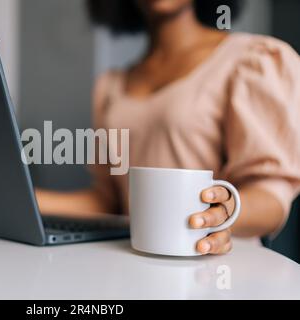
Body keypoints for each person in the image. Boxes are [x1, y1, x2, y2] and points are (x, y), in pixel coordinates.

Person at [36, 0, 300, 255]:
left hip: (217, 267)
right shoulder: (112, 86)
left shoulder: (251, 60)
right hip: (136, 263)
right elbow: (110, 202)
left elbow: (271, 195)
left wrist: (223, 213)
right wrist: (21, 201)